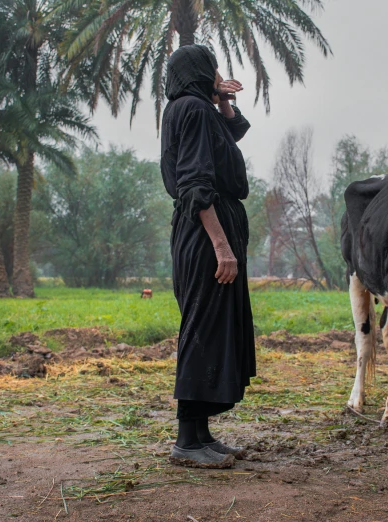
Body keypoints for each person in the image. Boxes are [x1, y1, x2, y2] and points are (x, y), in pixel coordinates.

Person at [160, 45, 256, 469]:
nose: (219, 73)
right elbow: (197, 183)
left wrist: (222, 101)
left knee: (211, 330)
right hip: (205, 232)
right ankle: (186, 441)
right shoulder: (194, 111)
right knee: (201, 330)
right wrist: (221, 245)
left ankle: (200, 435)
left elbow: (230, 136)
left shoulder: (197, 109)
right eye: (213, 68)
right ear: (198, 70)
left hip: (204, 226)